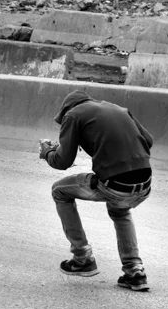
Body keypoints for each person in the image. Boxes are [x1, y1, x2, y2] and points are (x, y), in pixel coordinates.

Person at [39, 90, 154, 292]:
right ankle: (134, 270)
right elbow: (149, 141)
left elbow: (63, 161)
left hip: (115, 186)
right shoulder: (118, 108)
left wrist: (47, 152)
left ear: (66, 110)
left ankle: (82, 257)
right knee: (119, 210)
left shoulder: (72, 115)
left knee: (59, 190)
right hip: (144, 184)